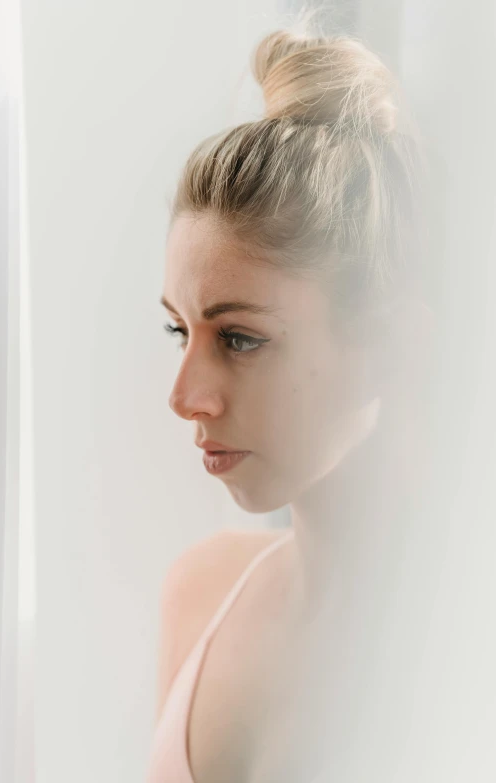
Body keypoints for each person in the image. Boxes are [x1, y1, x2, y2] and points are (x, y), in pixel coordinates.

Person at [146, 21, 436, 783]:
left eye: (239, 338)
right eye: (179, 330)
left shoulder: (459, 643)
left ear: (386, 345)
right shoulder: (199, 593)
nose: (184, 398)